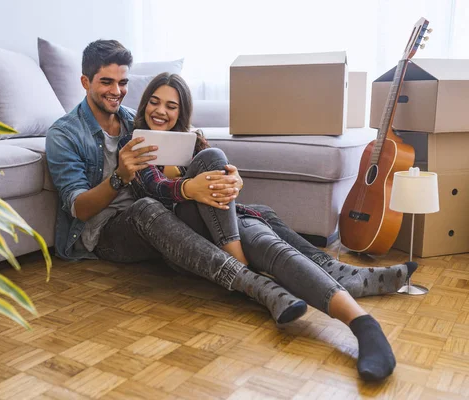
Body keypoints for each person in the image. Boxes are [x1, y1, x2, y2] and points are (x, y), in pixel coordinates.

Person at [45, 39, 402, 381]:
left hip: (169, 220)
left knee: (251, 224)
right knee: (148, 207)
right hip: (107, 231)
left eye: (123, 83)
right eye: (106, 82)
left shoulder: (131, 119)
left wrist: (227, 183)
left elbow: (180, 168)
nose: (117, 90)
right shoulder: (66, 134)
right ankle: (257, 283)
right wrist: (125, 177)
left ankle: (361, 322)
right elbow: (80, 208)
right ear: (85, 81)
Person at [117, 72, 420, 381]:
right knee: (249, 212)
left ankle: (363, 324)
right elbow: (154, 190)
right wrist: (188, 188)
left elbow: (220, 189)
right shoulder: (135, 145)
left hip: (219, 230)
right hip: (188, 242)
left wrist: (233, 181)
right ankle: (328, 277)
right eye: (154, 102)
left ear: (181, 112)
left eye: (171, 105)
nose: (161, 111)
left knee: (254, 221)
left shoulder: (191, 141)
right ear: (144, 105)